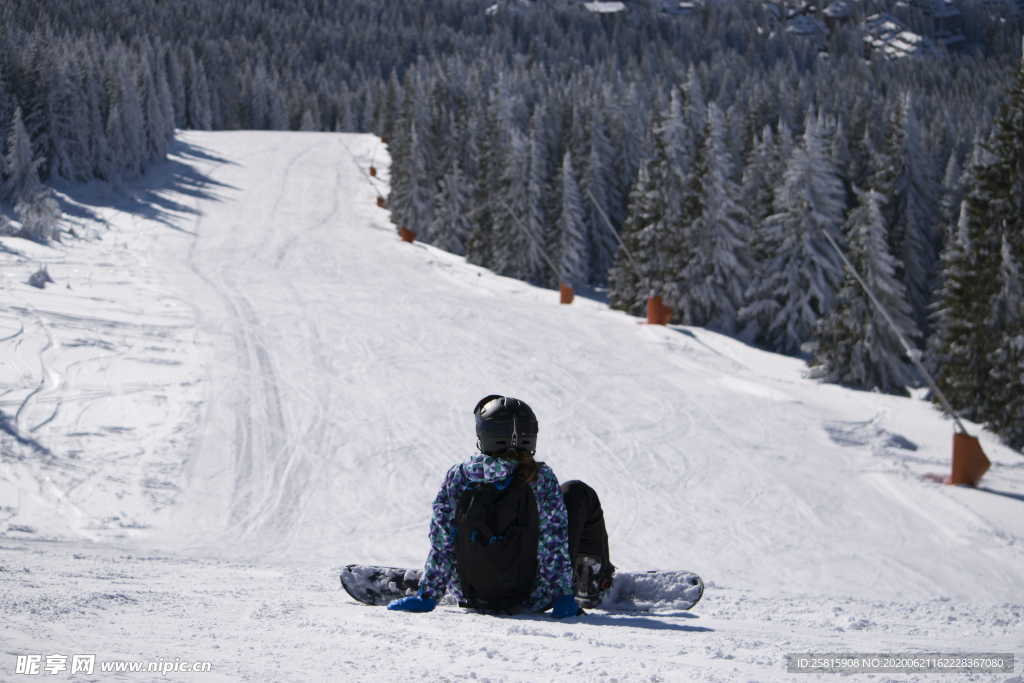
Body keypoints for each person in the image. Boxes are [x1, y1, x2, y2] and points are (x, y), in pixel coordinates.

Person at [388, 394, 615, 617]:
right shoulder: (540, 478)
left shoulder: (459, 476)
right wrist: (562, 595)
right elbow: (552, 543)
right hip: (532, 596)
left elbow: (443, 541)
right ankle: (592, 579)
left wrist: (428, 595)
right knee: (577, 492)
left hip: (471, 595)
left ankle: (445, 585)